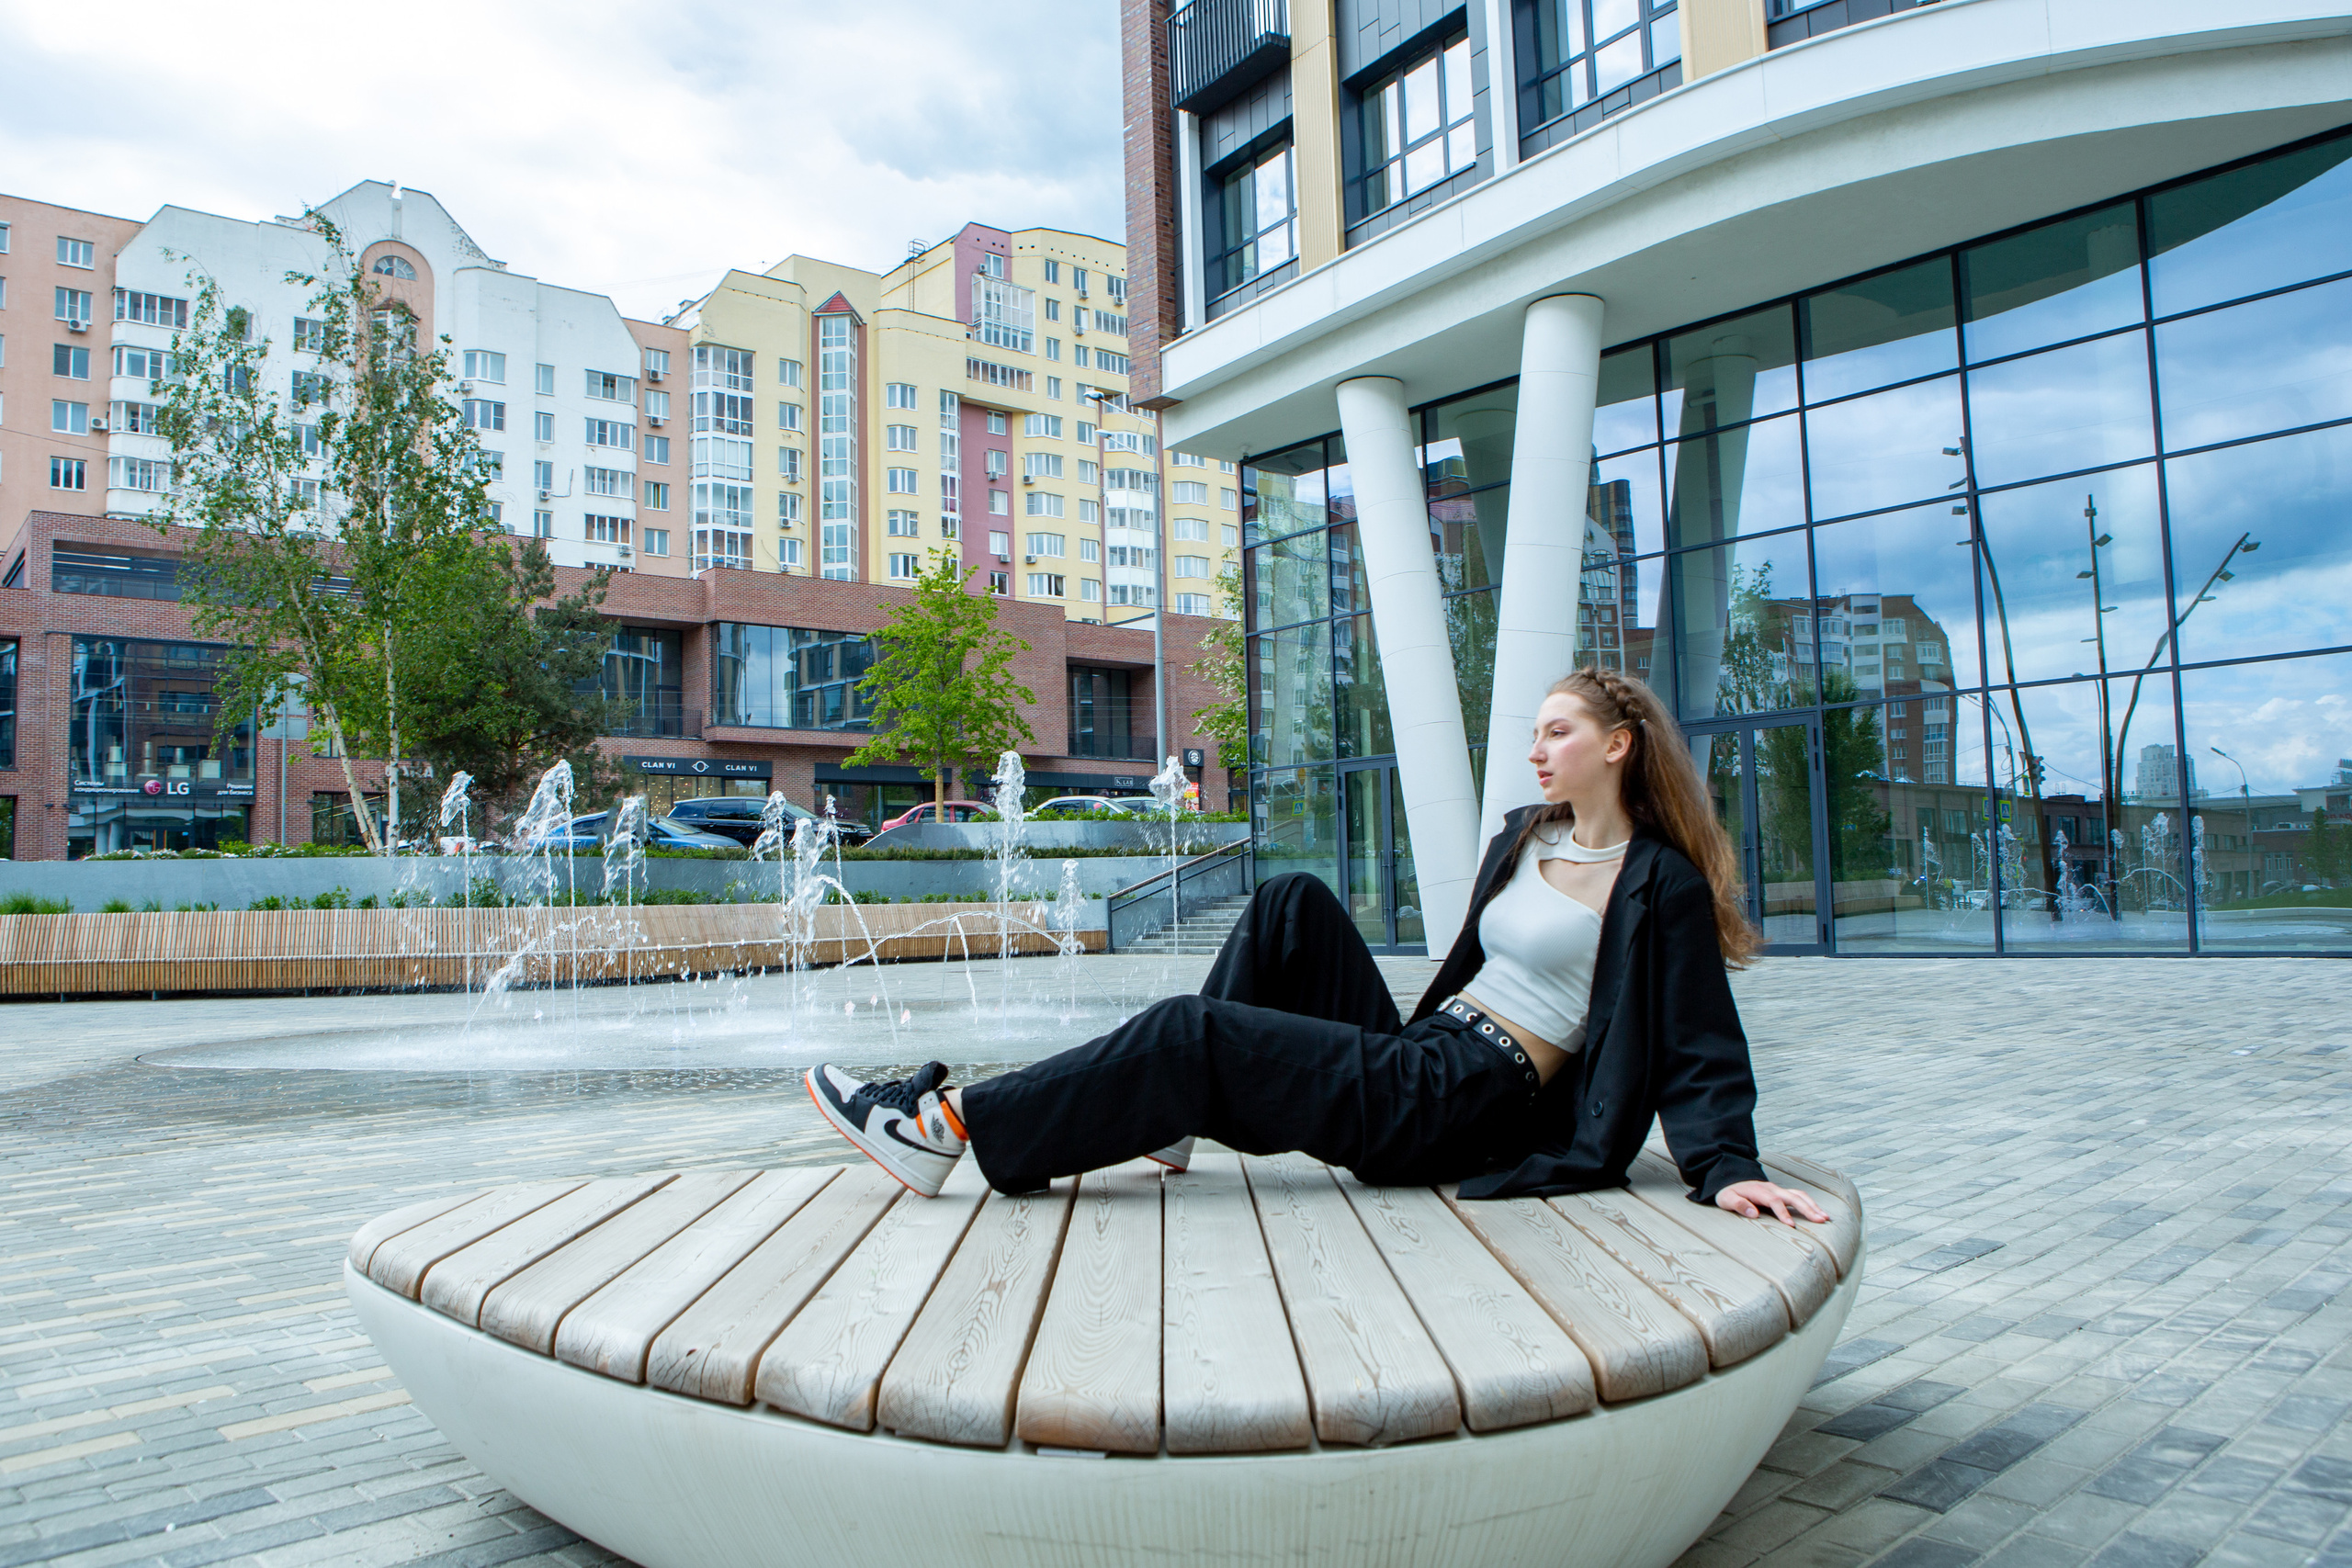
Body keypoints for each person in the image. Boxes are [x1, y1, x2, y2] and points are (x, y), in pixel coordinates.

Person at [807, 666, 1827, 1225]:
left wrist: (1724, 1165)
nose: (1533, 748)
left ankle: (941, 1129)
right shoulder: (1528, 834)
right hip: (1432, 1051)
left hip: (1472, 1098)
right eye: (1533, 733)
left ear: (1617, 744)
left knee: (1188, 1032)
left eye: (1555, 732)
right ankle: (1164, 1122)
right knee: (1291, 897)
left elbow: (1698, 1036)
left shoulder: (1657, 882)